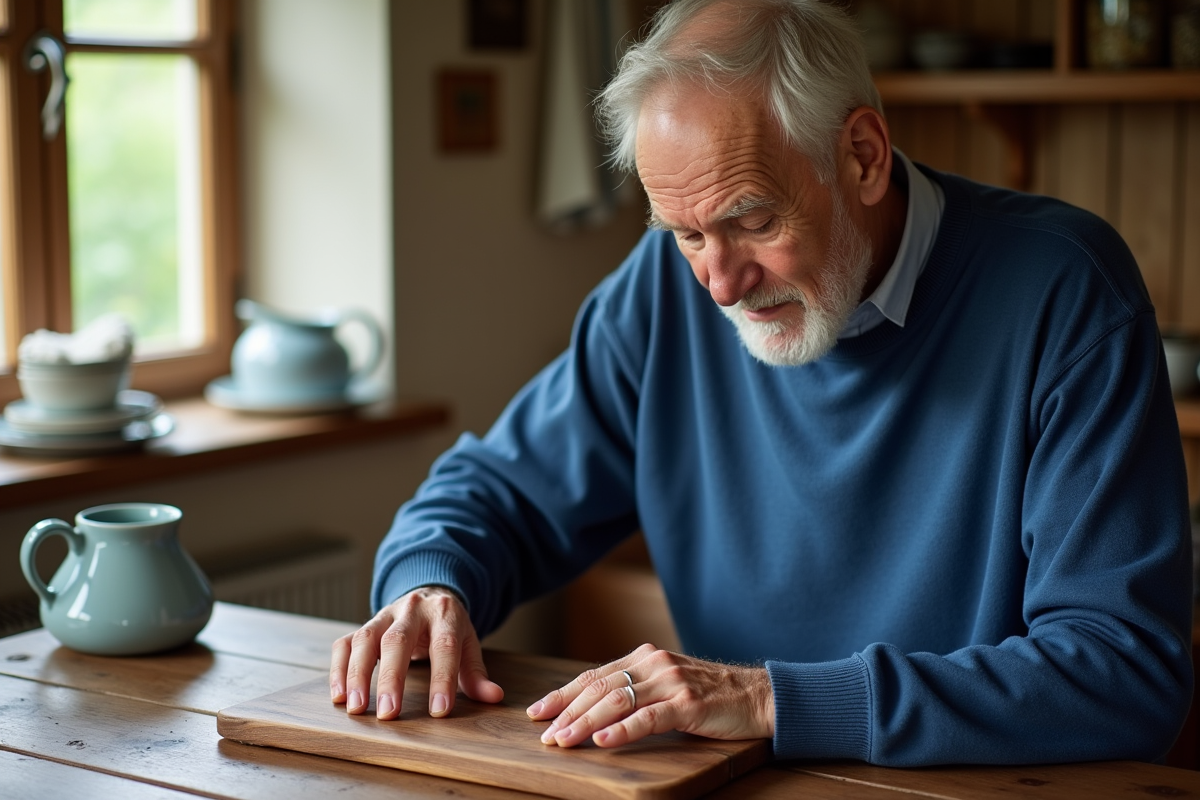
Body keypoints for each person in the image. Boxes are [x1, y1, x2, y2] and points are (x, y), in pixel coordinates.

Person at [330, 0, 1194, 765]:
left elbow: (1122, 670)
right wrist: (428, 583)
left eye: (752, 221)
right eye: (684, 234)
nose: (719, 283)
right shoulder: (664, 291)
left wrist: (770, 700)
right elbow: (499, 490)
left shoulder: (1065, 290)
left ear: (861, 155)